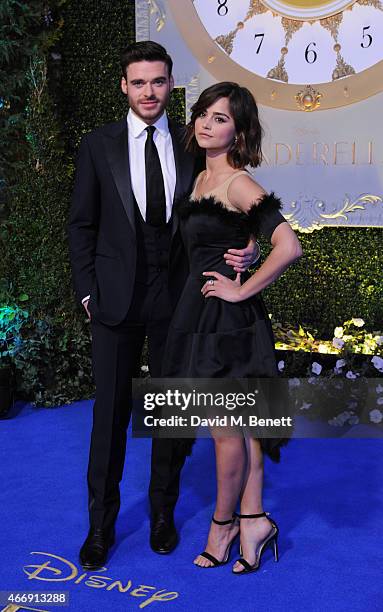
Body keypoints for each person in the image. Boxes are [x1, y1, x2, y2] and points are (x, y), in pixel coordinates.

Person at [68, 42, 258, 570]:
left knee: (172, 415)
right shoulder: (97, 145)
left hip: (178, 300)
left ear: (172, 84)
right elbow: (81, 225)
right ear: (123, 88)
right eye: (138, 82)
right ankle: (100, 528)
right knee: (108, 419)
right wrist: (87, 291)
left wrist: (251, 244)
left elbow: (228, 203)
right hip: (113, 301)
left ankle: (162, 515)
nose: (148, 92)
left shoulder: (192, 142)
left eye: (158, 81)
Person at [162, 82, 303, 574]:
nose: (205, 123)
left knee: (228, 431)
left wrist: (242, 289)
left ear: (239, 132)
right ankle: (254, 521)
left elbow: (289, 245)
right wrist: (246, 247)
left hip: (227, 321)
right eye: (203, 113)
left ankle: (222, 525)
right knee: (243, 430)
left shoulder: (239, 183)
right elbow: (227, 238)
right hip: (202, 316)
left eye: (220, 118)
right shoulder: (200, 178)